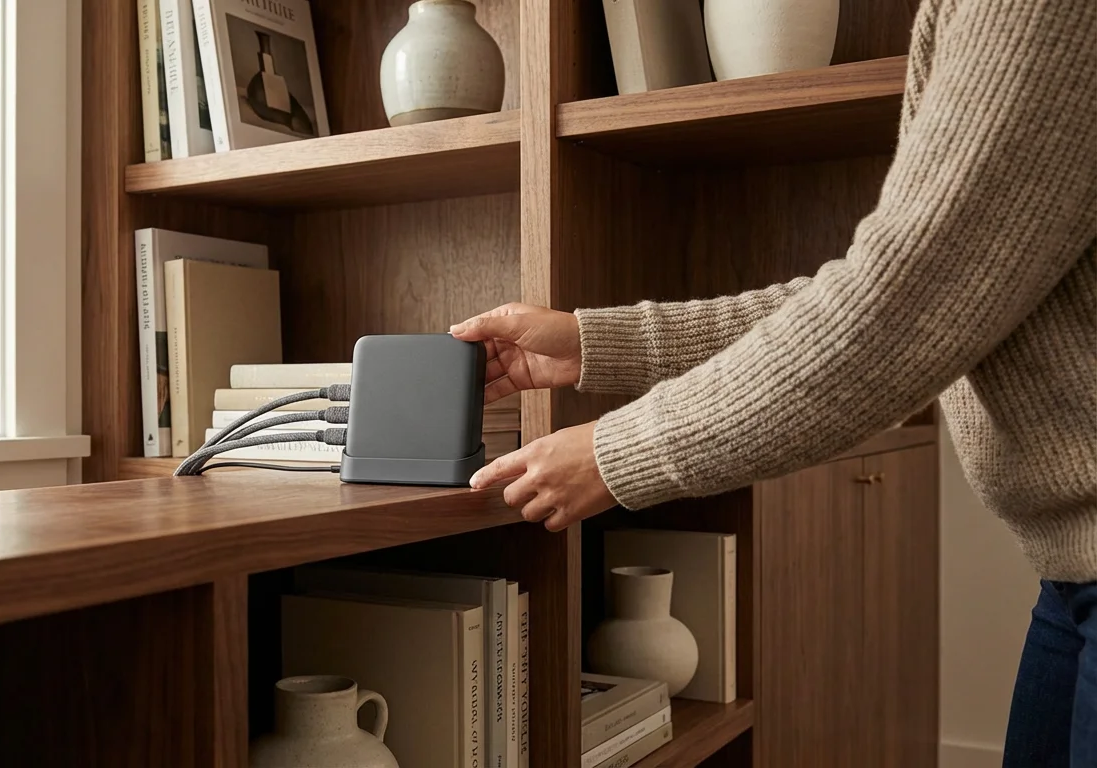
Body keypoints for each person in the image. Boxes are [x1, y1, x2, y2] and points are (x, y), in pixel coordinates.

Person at [449, 0, 1095, 765]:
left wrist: (616, 451)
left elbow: (900, 304)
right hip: (1070, 580)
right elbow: (862, 298)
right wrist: (592, 344)